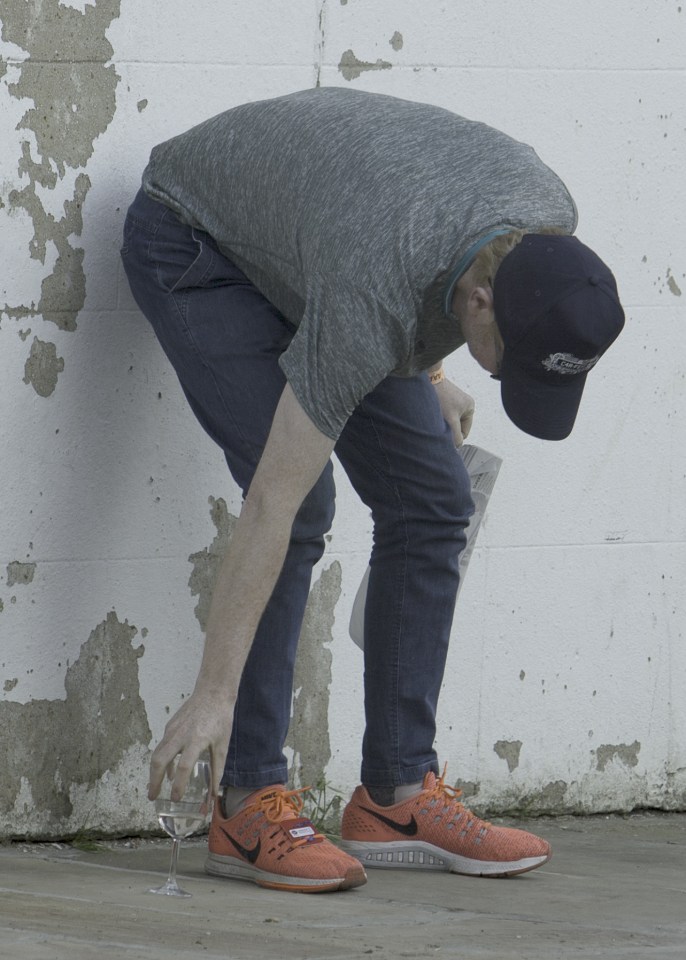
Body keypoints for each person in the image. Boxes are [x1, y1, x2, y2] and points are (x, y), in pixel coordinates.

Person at [121, 87, 624, 893]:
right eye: (509, 360)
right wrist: (212, 693)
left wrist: (430, 368)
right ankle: (245, 795)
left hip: (333, 248)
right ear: (480, 303)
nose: (507, 380)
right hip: (201, 243)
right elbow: (271, 507)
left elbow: (424, 225)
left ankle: (395, 796)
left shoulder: (541, 219)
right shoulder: (375, 289)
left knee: (436, 497)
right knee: (304, 499)